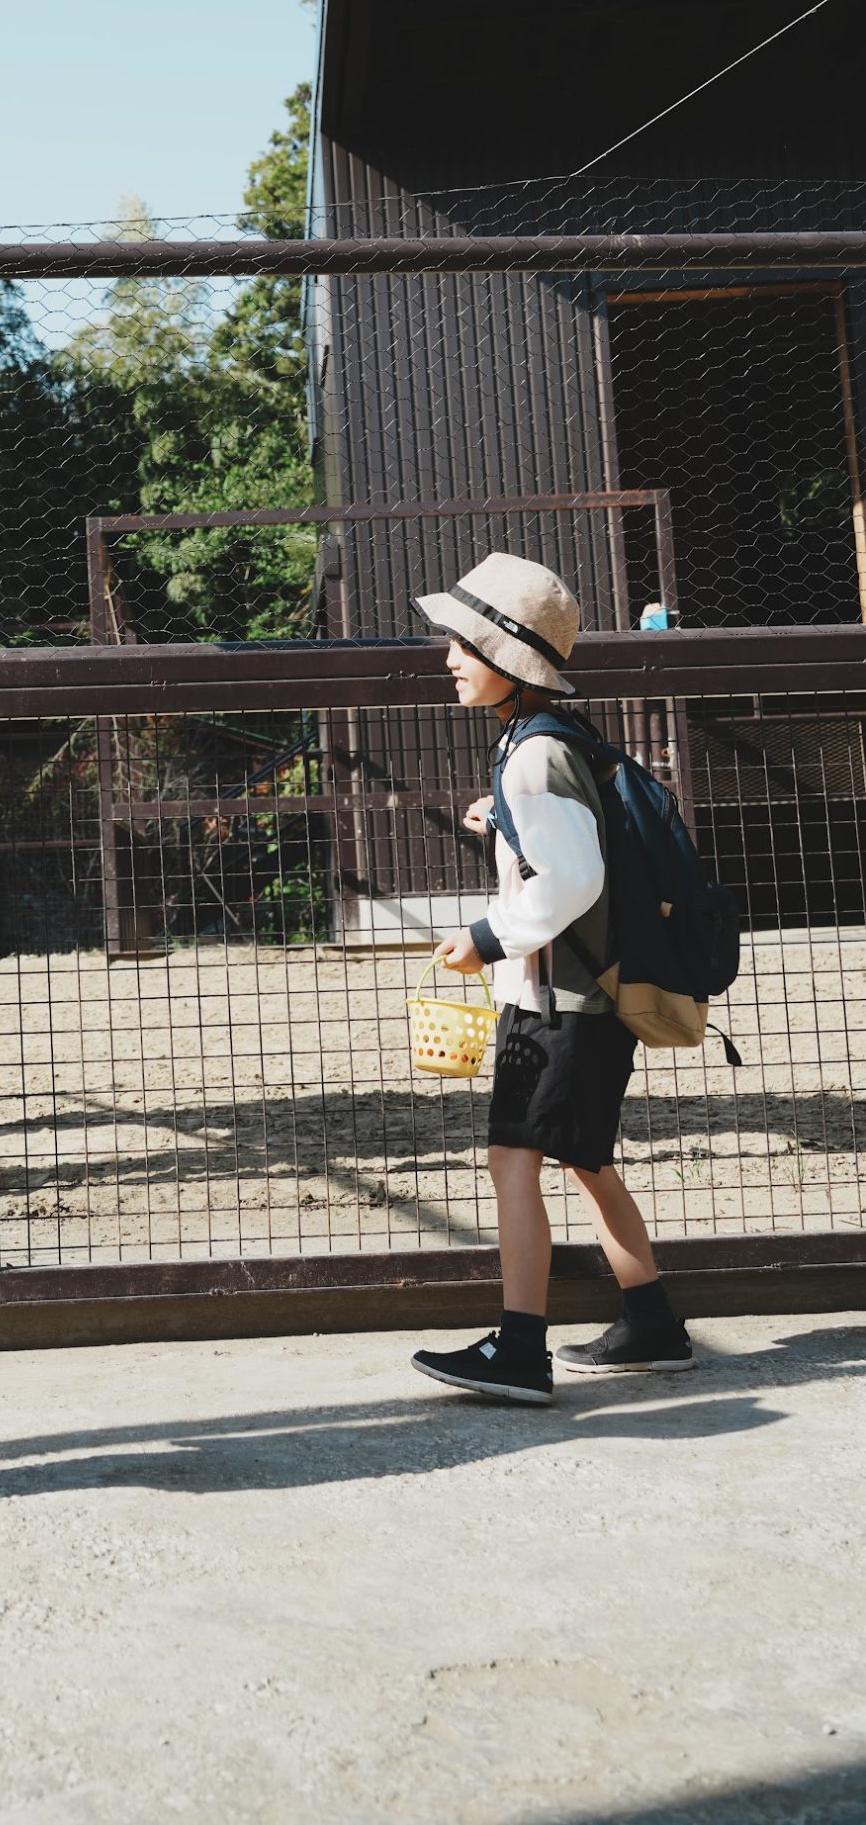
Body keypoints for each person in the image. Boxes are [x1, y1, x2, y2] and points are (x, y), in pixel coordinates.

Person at [406, 552, 692, 1405]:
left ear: (508, 658)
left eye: (464, 645)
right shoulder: (547, 741)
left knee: (510, 1161)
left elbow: (572, 880)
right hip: (581, 998)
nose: (449, 659)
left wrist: (483, 939)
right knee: (583, 1160)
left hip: (557, 1001)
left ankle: (520, 1352)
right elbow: (572, 845)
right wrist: (499, 817)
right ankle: (652, 1325)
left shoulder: (533, 756)